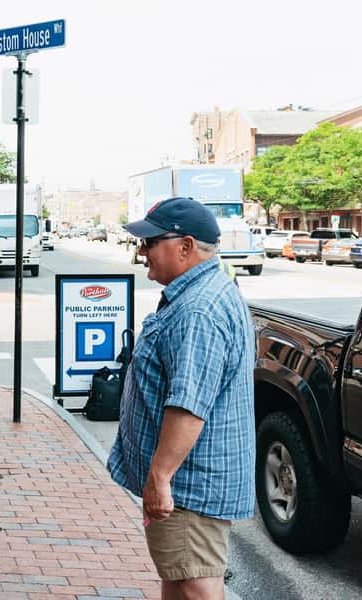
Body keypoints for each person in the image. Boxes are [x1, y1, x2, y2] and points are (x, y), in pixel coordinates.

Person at [107, 197, 255, 600]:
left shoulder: (199, 310)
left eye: (151, 242)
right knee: (179, 576)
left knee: (195, 585)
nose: (142, 252)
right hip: (187, 481)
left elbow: (189, 408)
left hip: (188, 483)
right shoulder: (202, 293)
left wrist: (160, 477)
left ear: (186, 246)